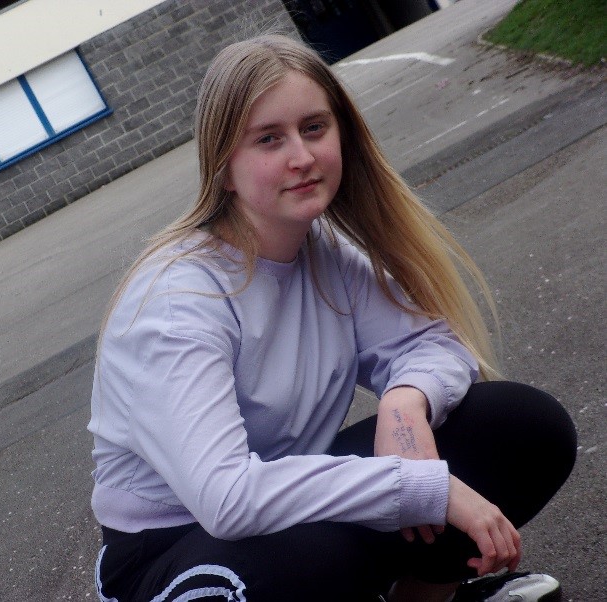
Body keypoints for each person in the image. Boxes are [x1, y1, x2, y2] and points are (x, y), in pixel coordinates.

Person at [88, 34, 577, 601]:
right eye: (269, 138)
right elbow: (227, 498)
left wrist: (405, 403)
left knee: (520, 426)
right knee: (312, 561)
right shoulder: (177, 302)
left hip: (286, 506)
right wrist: (426, 489)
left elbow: (433, 346)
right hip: (171, 549)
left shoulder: (322, 254)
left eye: (314, 128)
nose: (302, 157)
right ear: (223, 169)